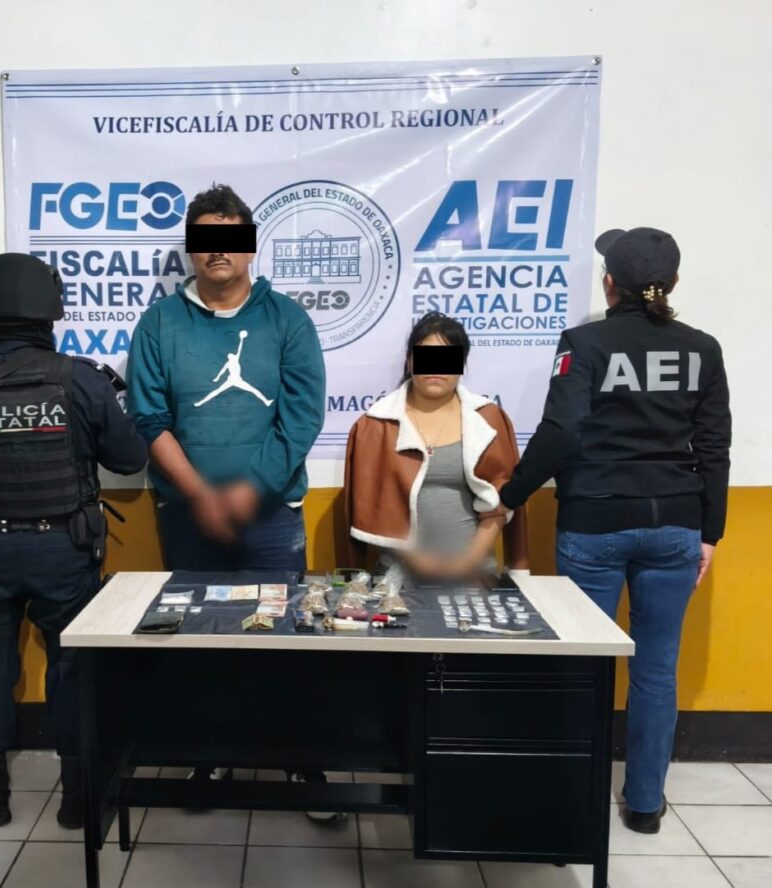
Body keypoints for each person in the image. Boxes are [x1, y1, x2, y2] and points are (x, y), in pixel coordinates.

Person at [0, 253, 147, 830]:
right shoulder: (79, 378)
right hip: (65, 549)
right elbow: (129, 458)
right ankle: (78, 798)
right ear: (49, 309)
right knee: (70, 668)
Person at [499, 227, 731, 834]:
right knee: (656, 671)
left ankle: (572, 801)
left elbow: (562, 432)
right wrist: (710, 532)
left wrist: (510, 497)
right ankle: (645, 806)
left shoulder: (585, 343)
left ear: (609, 284)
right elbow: (714, 446)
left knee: (584, 667)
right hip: (675, 524)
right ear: (671, 283)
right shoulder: (702, 349)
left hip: (596, 523)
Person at [126, 183, 330, 812]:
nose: (218, 251)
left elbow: (301, 418)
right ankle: (210, 754)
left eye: (230, 238)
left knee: (283, 638)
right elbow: (149, 419)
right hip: (188, 517)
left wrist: (246, 493)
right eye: (206, 239)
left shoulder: (287, 319)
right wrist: (201, 496)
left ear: (250, 246)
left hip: (271, 519)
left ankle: (299, 760)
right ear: (191, 249)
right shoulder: (159, 323)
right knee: (199, 638)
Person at [344, 312, 528, 577]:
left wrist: (466, 562)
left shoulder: (488, 419)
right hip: (397, 579)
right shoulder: (375, 425)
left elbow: (500, 502)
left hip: (474, 574)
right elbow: (375, 508)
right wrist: (422, 562)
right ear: (410, 361)